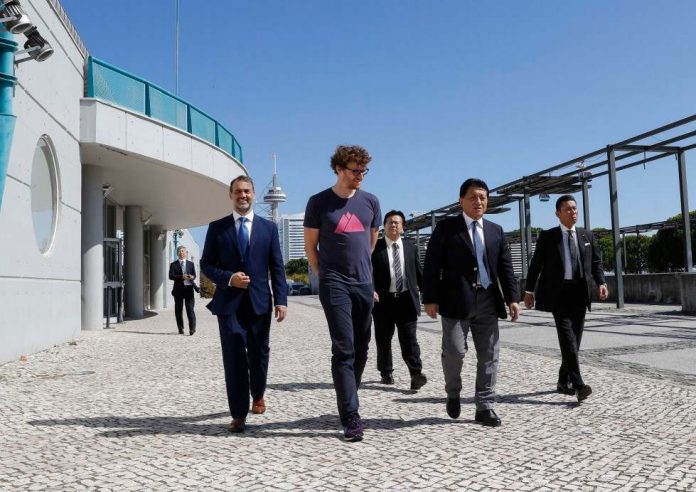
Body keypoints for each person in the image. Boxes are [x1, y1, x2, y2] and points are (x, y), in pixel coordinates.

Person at [422, 178, 520, 427]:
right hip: (455, 302)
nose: (479, 202)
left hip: (488, 300)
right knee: (455, 352)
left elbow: (505, 267)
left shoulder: (496, 231)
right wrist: (430, 298)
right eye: (474, 197)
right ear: (461, 201)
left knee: (489, 354)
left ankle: (484, 406)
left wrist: (512, 298)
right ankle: (453, 392)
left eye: (483, 197)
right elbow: (431, 265)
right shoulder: (446, 228)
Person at [304, 144, 381, 442]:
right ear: (338, 169)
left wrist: (363, 274)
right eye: (354, 170)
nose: (360, 176)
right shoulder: (319, 202)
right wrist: (324, 276)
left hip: (363, 282)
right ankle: (351, 416)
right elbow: (312, 246)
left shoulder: (371, 202)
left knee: (362, 348)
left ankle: (349, 393)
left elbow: (370, 243)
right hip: (333, 281)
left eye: (363, 171)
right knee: (344, 347)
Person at [200, 176, 287, 433]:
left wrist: (281, 300)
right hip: (229, 305)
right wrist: (228, 278)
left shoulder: (268, 228)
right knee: (234, 356)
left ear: (254, 194)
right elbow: (206, 264)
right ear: (231, 195)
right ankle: (238, 413)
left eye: (247, 191)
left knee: (259, 354)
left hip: (260, 303)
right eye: (238, 191)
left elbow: (277, 267)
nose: (243, 195)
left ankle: (257, 394)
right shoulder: (218, 228)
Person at [524, 194, 608, 402]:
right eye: (568, 209)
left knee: (575, 341)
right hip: (558, 294)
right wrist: (528, 290)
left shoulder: (586, 235)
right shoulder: (548, 236)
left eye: (575, 209)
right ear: (558, 213)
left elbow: (596, 262)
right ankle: (579, 385)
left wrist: (601, 282)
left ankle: (563, 381)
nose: (573, 213)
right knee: (567, 338)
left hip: (580, 293)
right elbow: (536, 265)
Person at [371, 210, 427, 391]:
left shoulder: (411, 247)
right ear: (384, 226)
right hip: (383, 301)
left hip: (406, 301)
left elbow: (418, 274)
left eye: (397, 222)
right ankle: (386, 371)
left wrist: (430, 296)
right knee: (383, 338)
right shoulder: (374, 247)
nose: (393, 225)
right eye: (389, 222)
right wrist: (369, 290)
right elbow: (366, 272)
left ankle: (416, 373)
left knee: (409, 339)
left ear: (403, 227)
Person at [169, 246, 198, 335]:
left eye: (183, 251)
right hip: (178, 290)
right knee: (178, 310)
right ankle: (180, 328)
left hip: (189, 289)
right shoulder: (173, 264)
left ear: (186, 253)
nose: (181, 253)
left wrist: (192, 277)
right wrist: (182, 277)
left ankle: (192, 329)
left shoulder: (191, 264)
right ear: (177, 253)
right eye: (180, 251)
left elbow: (194, 275)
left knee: (190, 310)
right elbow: (171, 276)